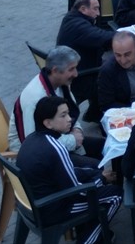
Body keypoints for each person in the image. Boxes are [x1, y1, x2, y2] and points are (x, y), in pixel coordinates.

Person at [16, 96, 122, 244]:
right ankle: (88, 240)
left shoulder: (31, 139)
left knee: (95, 174)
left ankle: (90, 230)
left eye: (68, 113)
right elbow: (80, 193)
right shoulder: (55, 147)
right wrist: (102, 179)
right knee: (115, 194)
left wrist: (95, 174)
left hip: (34, 203)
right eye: (63, 115)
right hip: (54, 208)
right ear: (48, 123)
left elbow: (67, 172)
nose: (70, 119)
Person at [8, 47, 100, 164]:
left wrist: (77, 130)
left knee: (103, 146)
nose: (76, 74)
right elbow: (35, 143)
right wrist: (72, 140)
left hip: (59, 136)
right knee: (95, 166)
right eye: (71, 69)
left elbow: (70, 112)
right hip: (36, 156)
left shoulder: (61, 83)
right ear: (55, 70)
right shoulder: (35, 99)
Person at [55, 0, 114, 106]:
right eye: (95, 9)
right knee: (115, 69)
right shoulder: (79, 26)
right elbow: (100, 36)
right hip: (79, 75)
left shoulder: (71, 18)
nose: (99, 13)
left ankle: (94, 111)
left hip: (72, 65)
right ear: (83, 9)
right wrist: (126, 35)